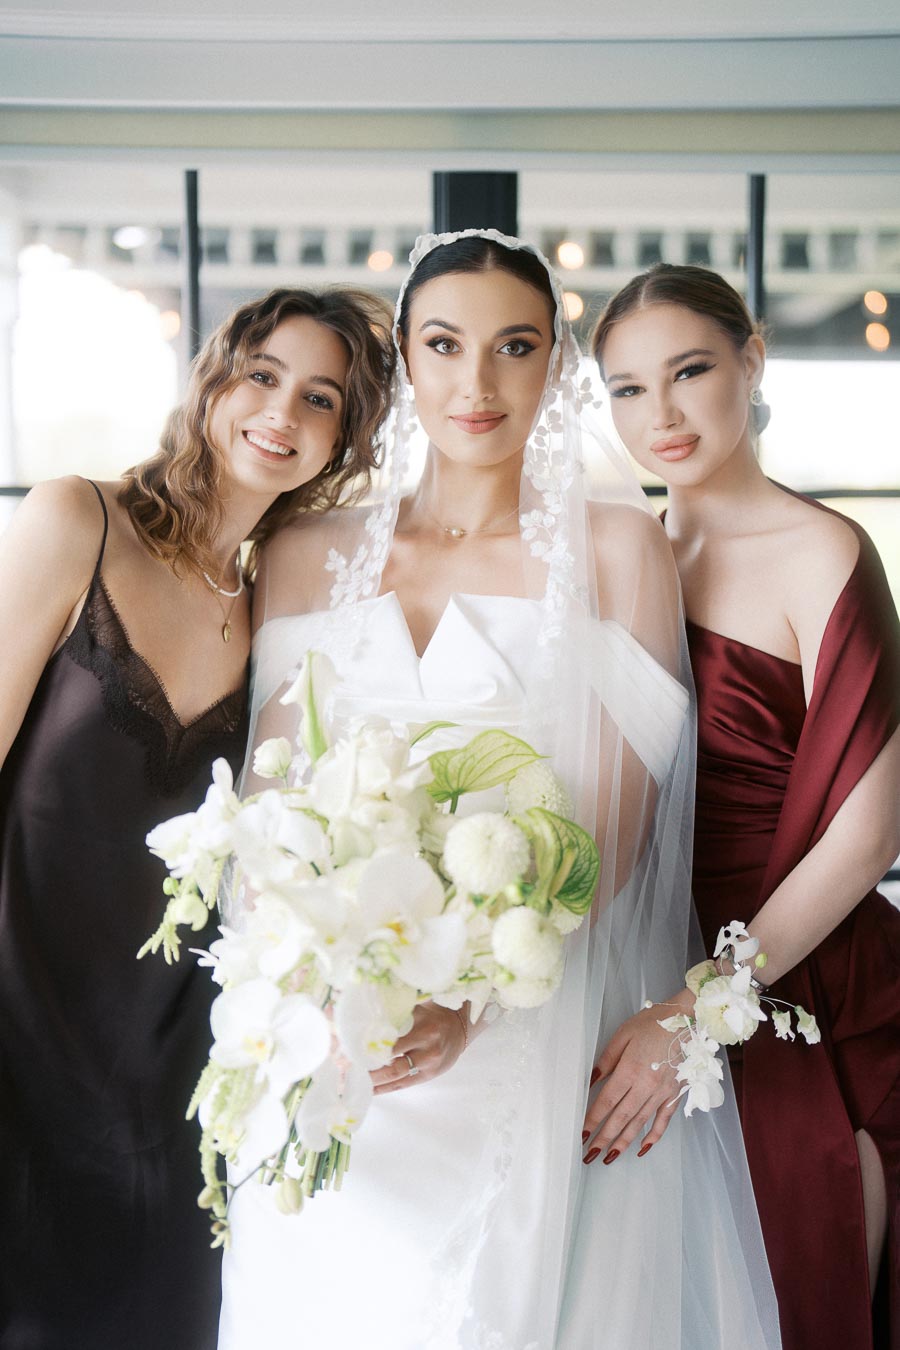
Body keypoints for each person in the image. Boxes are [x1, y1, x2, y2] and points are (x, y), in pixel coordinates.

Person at [218, 233, 781, 1350]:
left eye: (515, 347)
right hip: (332, 1033)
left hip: (520, 1014)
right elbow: (270, 816)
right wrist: (305, 999)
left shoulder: (618, 546)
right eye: (445, 345)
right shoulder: (302, 548)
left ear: (556, 363)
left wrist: (473, 997)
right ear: (406, 360)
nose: (477, 385)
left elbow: (617, 822)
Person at [0, 285, 395, 1350]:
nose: (282, 413)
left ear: (345, 439)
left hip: (173, 1043)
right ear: (214, 379)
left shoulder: (285, 597)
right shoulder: (74, 520)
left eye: (321, 399)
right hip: (18, 1008)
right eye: (262, 376)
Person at [590, 262, 900, 1350]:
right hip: (633, 968)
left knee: (802, 1306)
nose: (660, 414)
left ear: (751, 360)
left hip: (794, 978)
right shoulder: (622, 558)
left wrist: (700, 1008)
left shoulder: (822, 550)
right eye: (627, 388)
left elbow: (869, 832)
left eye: (689, 372)